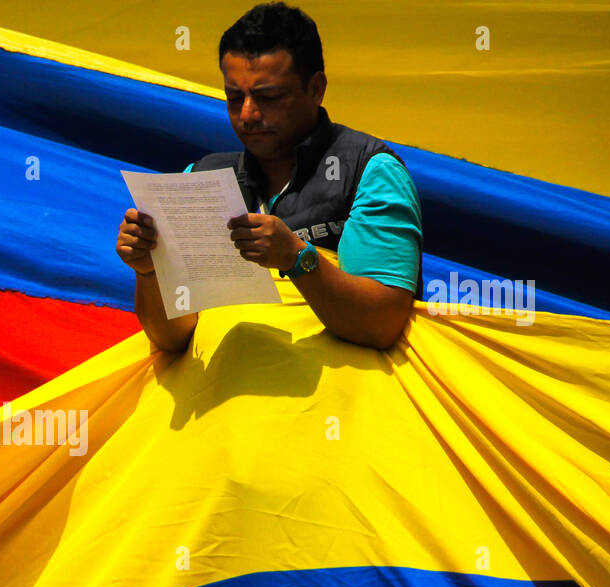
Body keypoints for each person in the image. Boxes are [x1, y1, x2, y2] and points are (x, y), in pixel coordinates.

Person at [117, 2, 423, 353]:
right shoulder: (197, 180)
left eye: (269, 97)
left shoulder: (369, 171)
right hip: (221, 403)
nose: (248, 114)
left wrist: (297, 258)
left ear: (316, 88)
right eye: (234, 98)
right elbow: (171, 339)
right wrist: (149, 273)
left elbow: (380, 326)